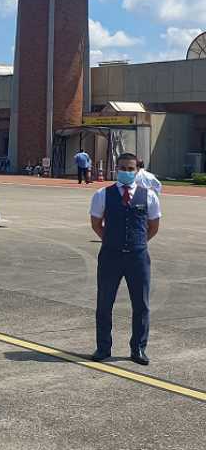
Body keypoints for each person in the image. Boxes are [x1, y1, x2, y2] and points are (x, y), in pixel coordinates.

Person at [89, 152, 161, 366]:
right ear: (116, 169)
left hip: (138, 257)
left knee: (141, 304)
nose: (127, 172)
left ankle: (138, 348)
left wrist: (137, 242)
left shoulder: (148, 196)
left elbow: (154, 226)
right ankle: (103, 347)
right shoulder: (102, 194)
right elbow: (96, 223)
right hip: (110, 256)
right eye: (123, 168)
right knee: (104, 302)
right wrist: (111, 240)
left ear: (137, 170)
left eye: (131, 169)